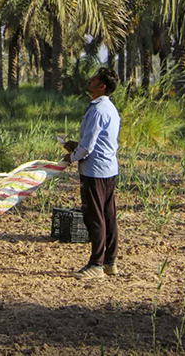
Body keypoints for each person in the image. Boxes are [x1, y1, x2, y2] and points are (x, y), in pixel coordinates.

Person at [63, 67, 121, 280]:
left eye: (94, 79)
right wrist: (75, 147)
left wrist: (72, 157)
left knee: (95, 217)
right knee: (108, 215)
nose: (90, 80)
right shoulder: (110, 109)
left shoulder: (97, 110)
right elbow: (100, 141)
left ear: (102, 86)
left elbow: (88, 147)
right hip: (108, 168)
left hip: (95, 171)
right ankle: (110, 262)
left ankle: (96, 264)